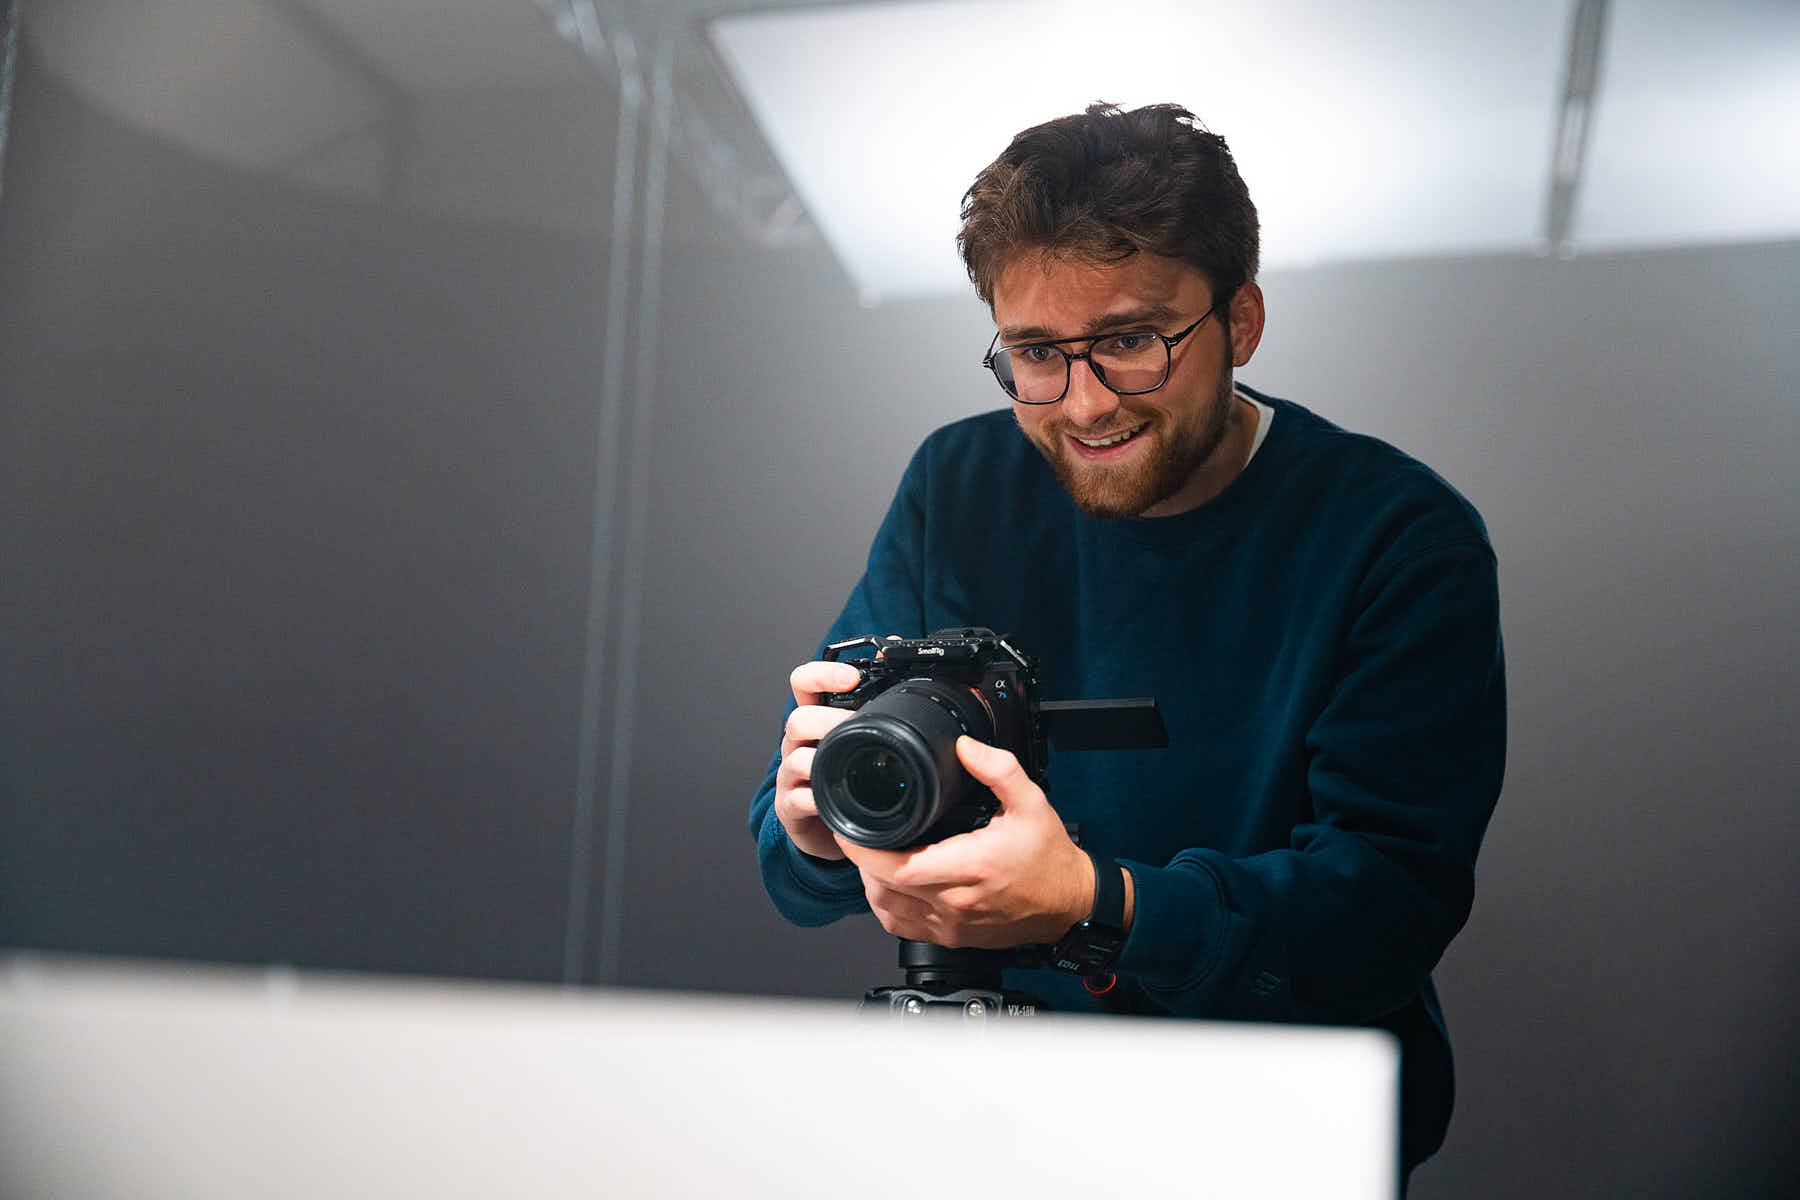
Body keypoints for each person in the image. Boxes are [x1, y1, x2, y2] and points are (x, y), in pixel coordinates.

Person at [748, 101, 1505, 1179]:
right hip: (994, 1113)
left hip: (1278, 1131)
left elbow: (1381, 911)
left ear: (1239, 322)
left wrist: (1094, 900)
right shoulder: (958, 487)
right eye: (1037, 354)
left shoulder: (1397, 538)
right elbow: (802, 851)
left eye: (1132, 342)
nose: (1085, 402)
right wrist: (817, 827)